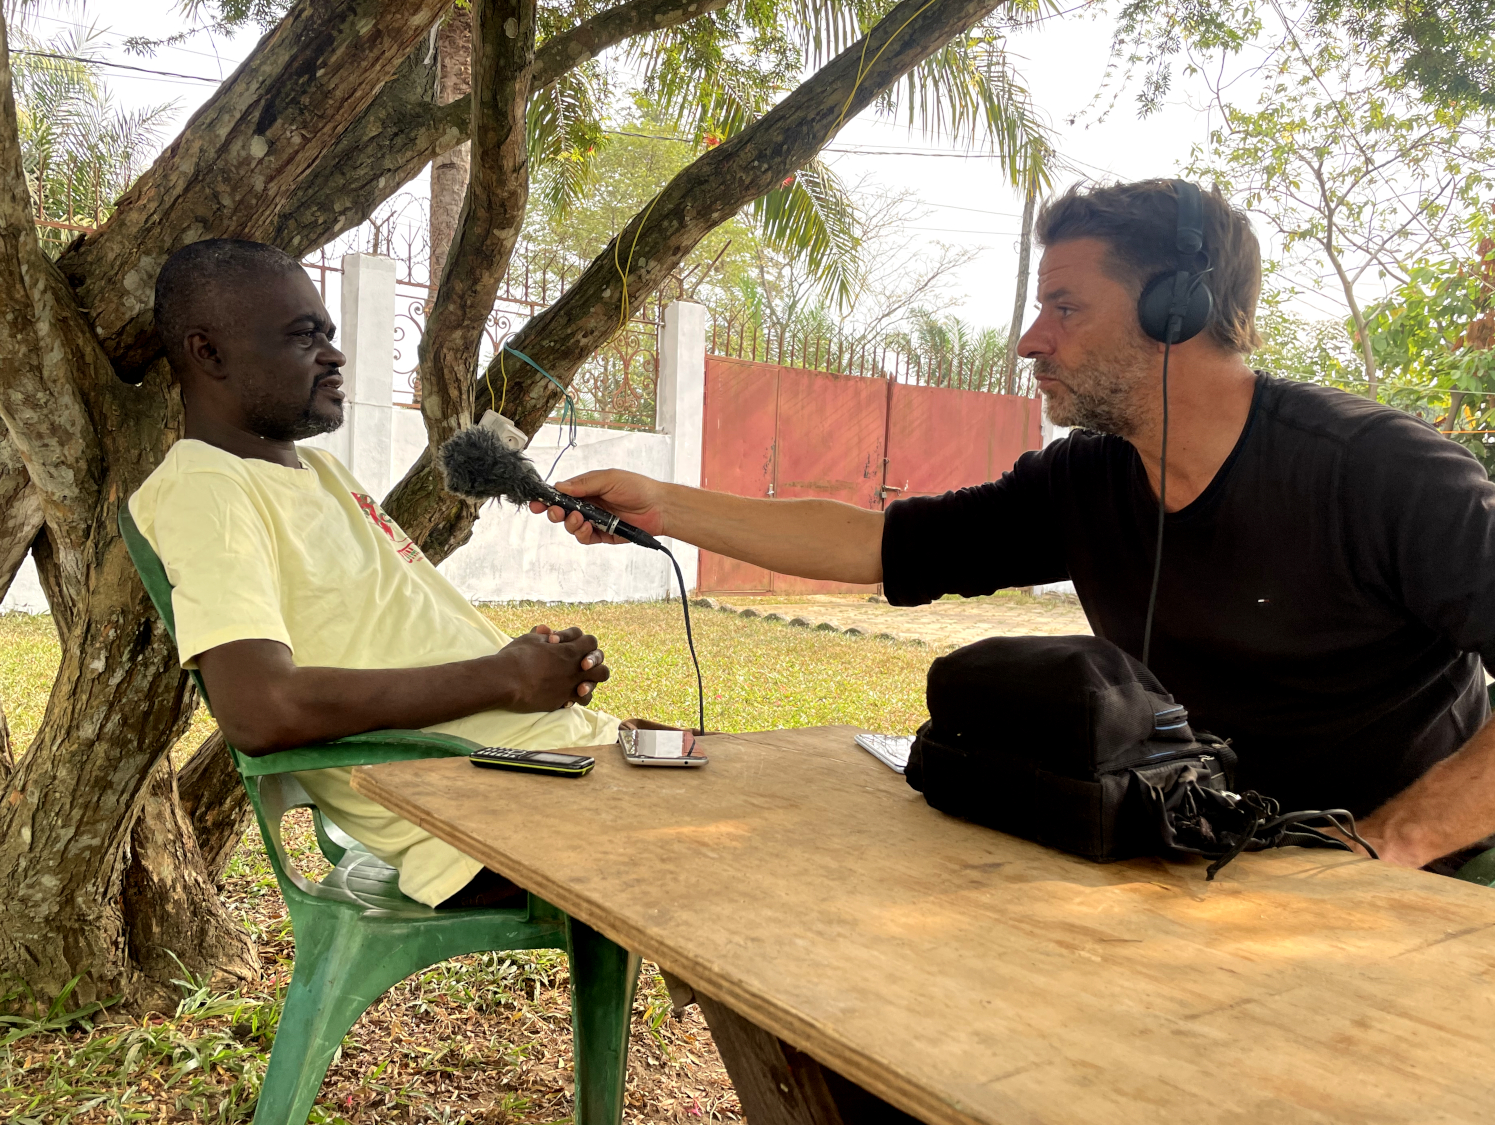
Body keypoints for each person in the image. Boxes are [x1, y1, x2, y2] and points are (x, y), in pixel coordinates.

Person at [534, 178, 1495, 875]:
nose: (1031, 339)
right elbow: (878, 542)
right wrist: (667, 503)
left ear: (1177, 309)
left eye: (1066, 306)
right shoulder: (1084, 481)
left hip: (1422, 880)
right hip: (1209, 854)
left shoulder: (1381, 471)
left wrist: (1387, 844)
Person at [132, 238, 640, 909]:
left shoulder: (320, 474)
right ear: (209, 352)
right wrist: (508, 677)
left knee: (778, 796)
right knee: (769, 848)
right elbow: (260, 710)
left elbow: (394, 630)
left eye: (330, 335)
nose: (334, 354)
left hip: (550, 762)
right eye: (303, 336)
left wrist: (529, 661)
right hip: (477, 818)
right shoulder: (206, 490)